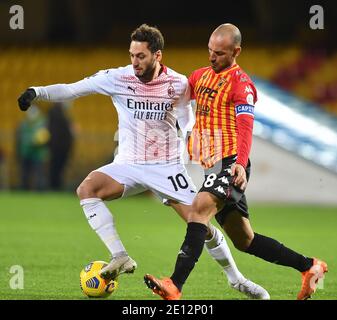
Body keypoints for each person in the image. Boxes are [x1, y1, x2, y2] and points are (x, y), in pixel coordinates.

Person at [18, 24, 269, 299]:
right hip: (128, 164)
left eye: (141, 56)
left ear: (157, 55)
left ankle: (237, 279)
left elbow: (187, 118)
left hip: (167, 168)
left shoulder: (178, 83)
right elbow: (73, 89)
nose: (134, 62)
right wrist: (37, 92)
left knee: (201, 225)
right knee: (86, 189)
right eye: (132, 55)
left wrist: (189, 137)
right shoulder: (116, 78)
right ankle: (120, 256)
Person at [144, 23, 328, 300]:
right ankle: (310, 266)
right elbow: (174, 95)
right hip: (211, 165)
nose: (212, 57)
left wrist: (239, 163)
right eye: (209, 51)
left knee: (198, 212)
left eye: (219, 53)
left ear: (236, 51)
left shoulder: (242, 85)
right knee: (245, 241)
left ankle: (174, 285)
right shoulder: (199, 76)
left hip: (230, 163)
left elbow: (246, 127)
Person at [15, 105, 50, 190]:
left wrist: (38, 141)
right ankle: (24, 188)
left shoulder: (42, 123)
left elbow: (45, 136)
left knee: (39, 173)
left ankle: (40, 189)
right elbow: (20, 138)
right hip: (26, 151)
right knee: (25, 172)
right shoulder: (24, 124)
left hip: (38, 153)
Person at [47, 102, 74, 190]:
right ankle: (55, 187)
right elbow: (59, 134)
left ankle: (55, 186)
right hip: (59, 148)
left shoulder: (56, 115)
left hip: (57, 147)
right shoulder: (58, 116)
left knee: (56, 168)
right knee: (56, 168)